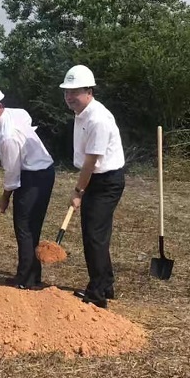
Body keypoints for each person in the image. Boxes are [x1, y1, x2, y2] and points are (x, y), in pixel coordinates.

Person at [0, 84, 55, 289]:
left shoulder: (7, 136)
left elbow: (12, 174)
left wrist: (5, 197)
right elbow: (26, 117)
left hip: (34, 176)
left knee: (25, 228)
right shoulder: (13, 114)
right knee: (30, 228)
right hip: (40, 172)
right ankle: (30, 276)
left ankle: (26, 279)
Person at [60, 64, 125, 309]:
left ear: (89, 91)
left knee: (95, 236)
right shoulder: (82, 113)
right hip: (97, 179)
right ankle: (105, 284)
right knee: (94, 234)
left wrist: (78, 192)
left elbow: (91, 162)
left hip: (106, 181)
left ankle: (97, 294)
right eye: (66, 92)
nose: (69, 97)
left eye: (74, 92)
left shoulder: (98, 119)